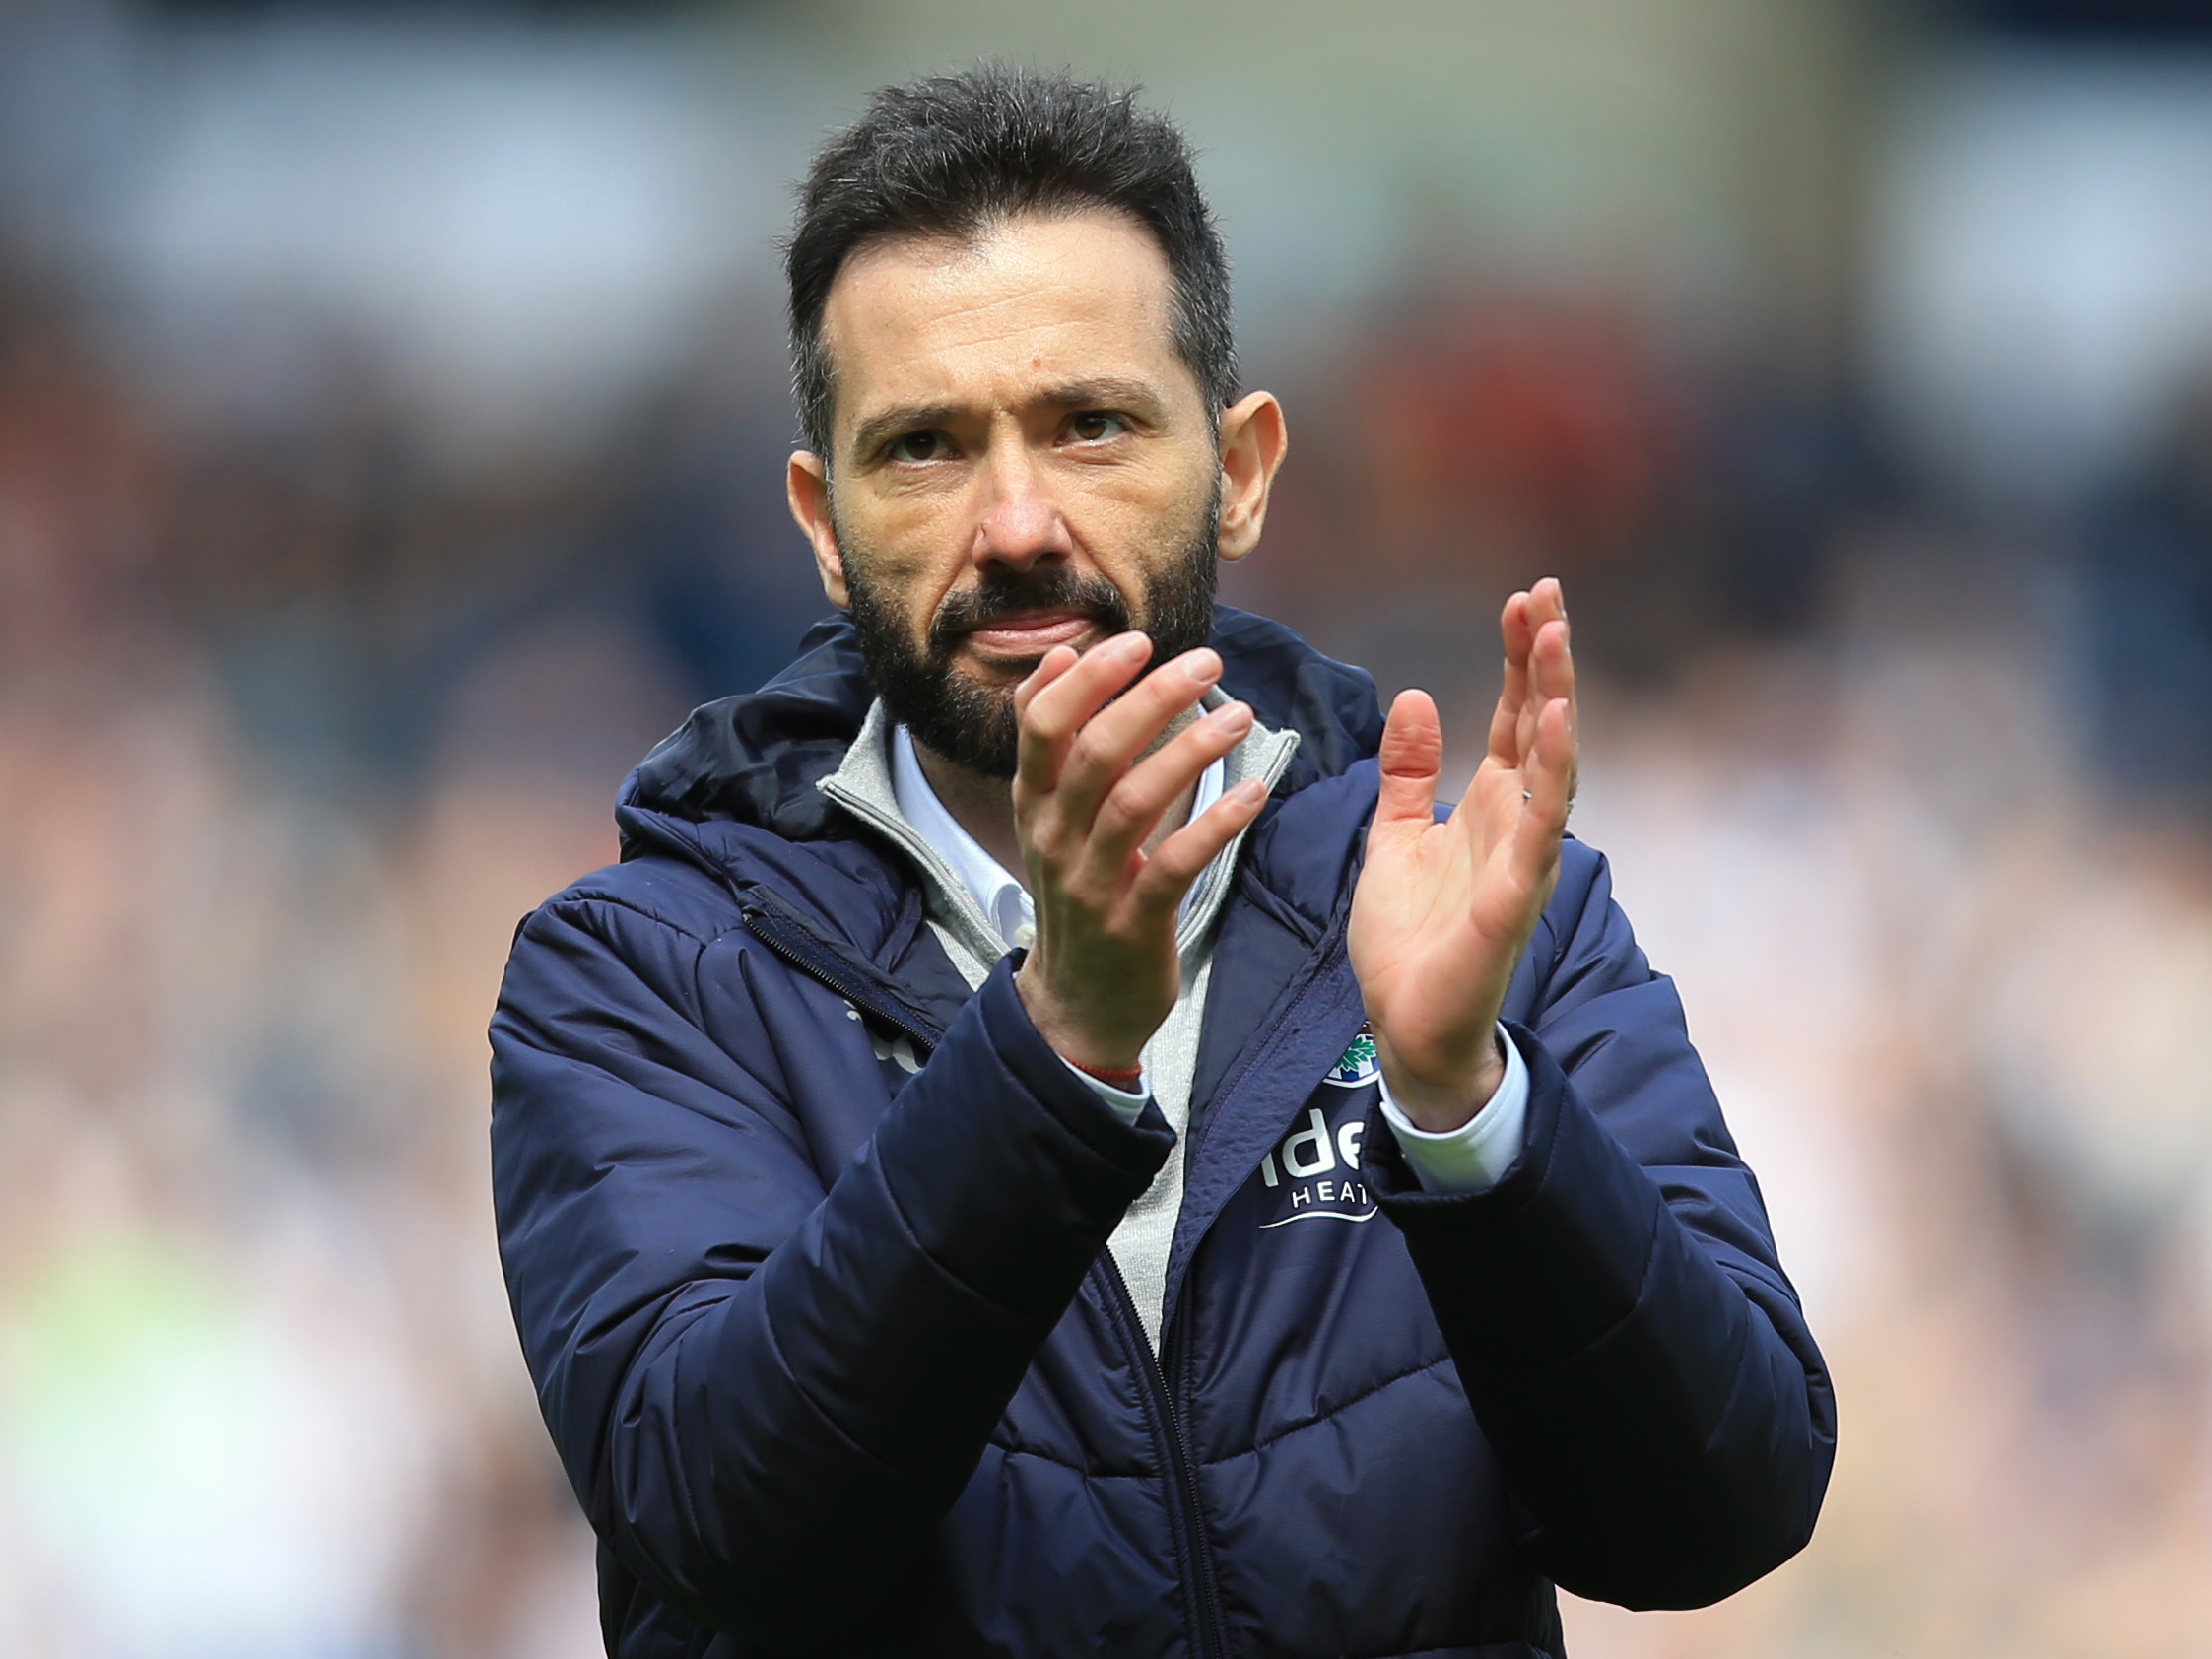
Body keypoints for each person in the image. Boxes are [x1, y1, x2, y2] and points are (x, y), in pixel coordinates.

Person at [491, 67, 1836, 1659]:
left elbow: (1718, 1514)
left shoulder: (1466, 909)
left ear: (1243, 466)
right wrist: (1054, 1054)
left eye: (1092, 426)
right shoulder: (637, 974)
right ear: (822, 520)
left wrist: (1468, 1112)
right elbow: (722, 1533)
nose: (1015, 521)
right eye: (923, 447)